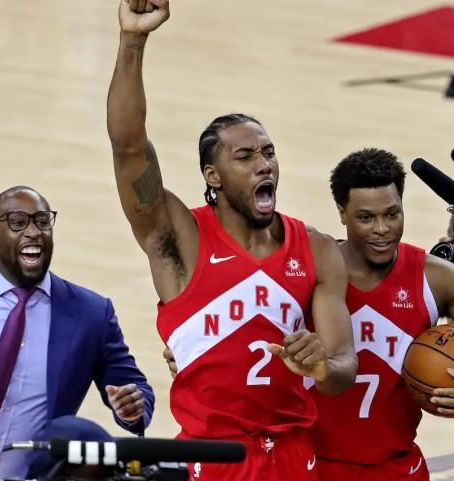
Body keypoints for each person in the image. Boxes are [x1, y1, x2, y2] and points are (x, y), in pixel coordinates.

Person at [106, 2, 357, 481]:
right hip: (212, 456)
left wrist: (323, 367)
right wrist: (132, 42)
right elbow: (129, 147)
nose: (264, 164)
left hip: (292, 454)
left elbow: (344, 367)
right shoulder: (177, 238)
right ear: (213, 176)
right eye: (245, 156)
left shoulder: (317, 249)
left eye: (268, 152)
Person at [165, 148, 454, 481]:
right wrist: (192, 352)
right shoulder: (309, 270)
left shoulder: (439, 279)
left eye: (392, 214)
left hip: (394, 466)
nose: (382, 229)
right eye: (366, 218)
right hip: (308, 463)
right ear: (341, 213)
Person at [0, 186, 154, 479]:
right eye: (18, 222)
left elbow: (132, 385)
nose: (33, 232)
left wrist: (132, 406)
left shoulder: (91, 314)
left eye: (42, 221)